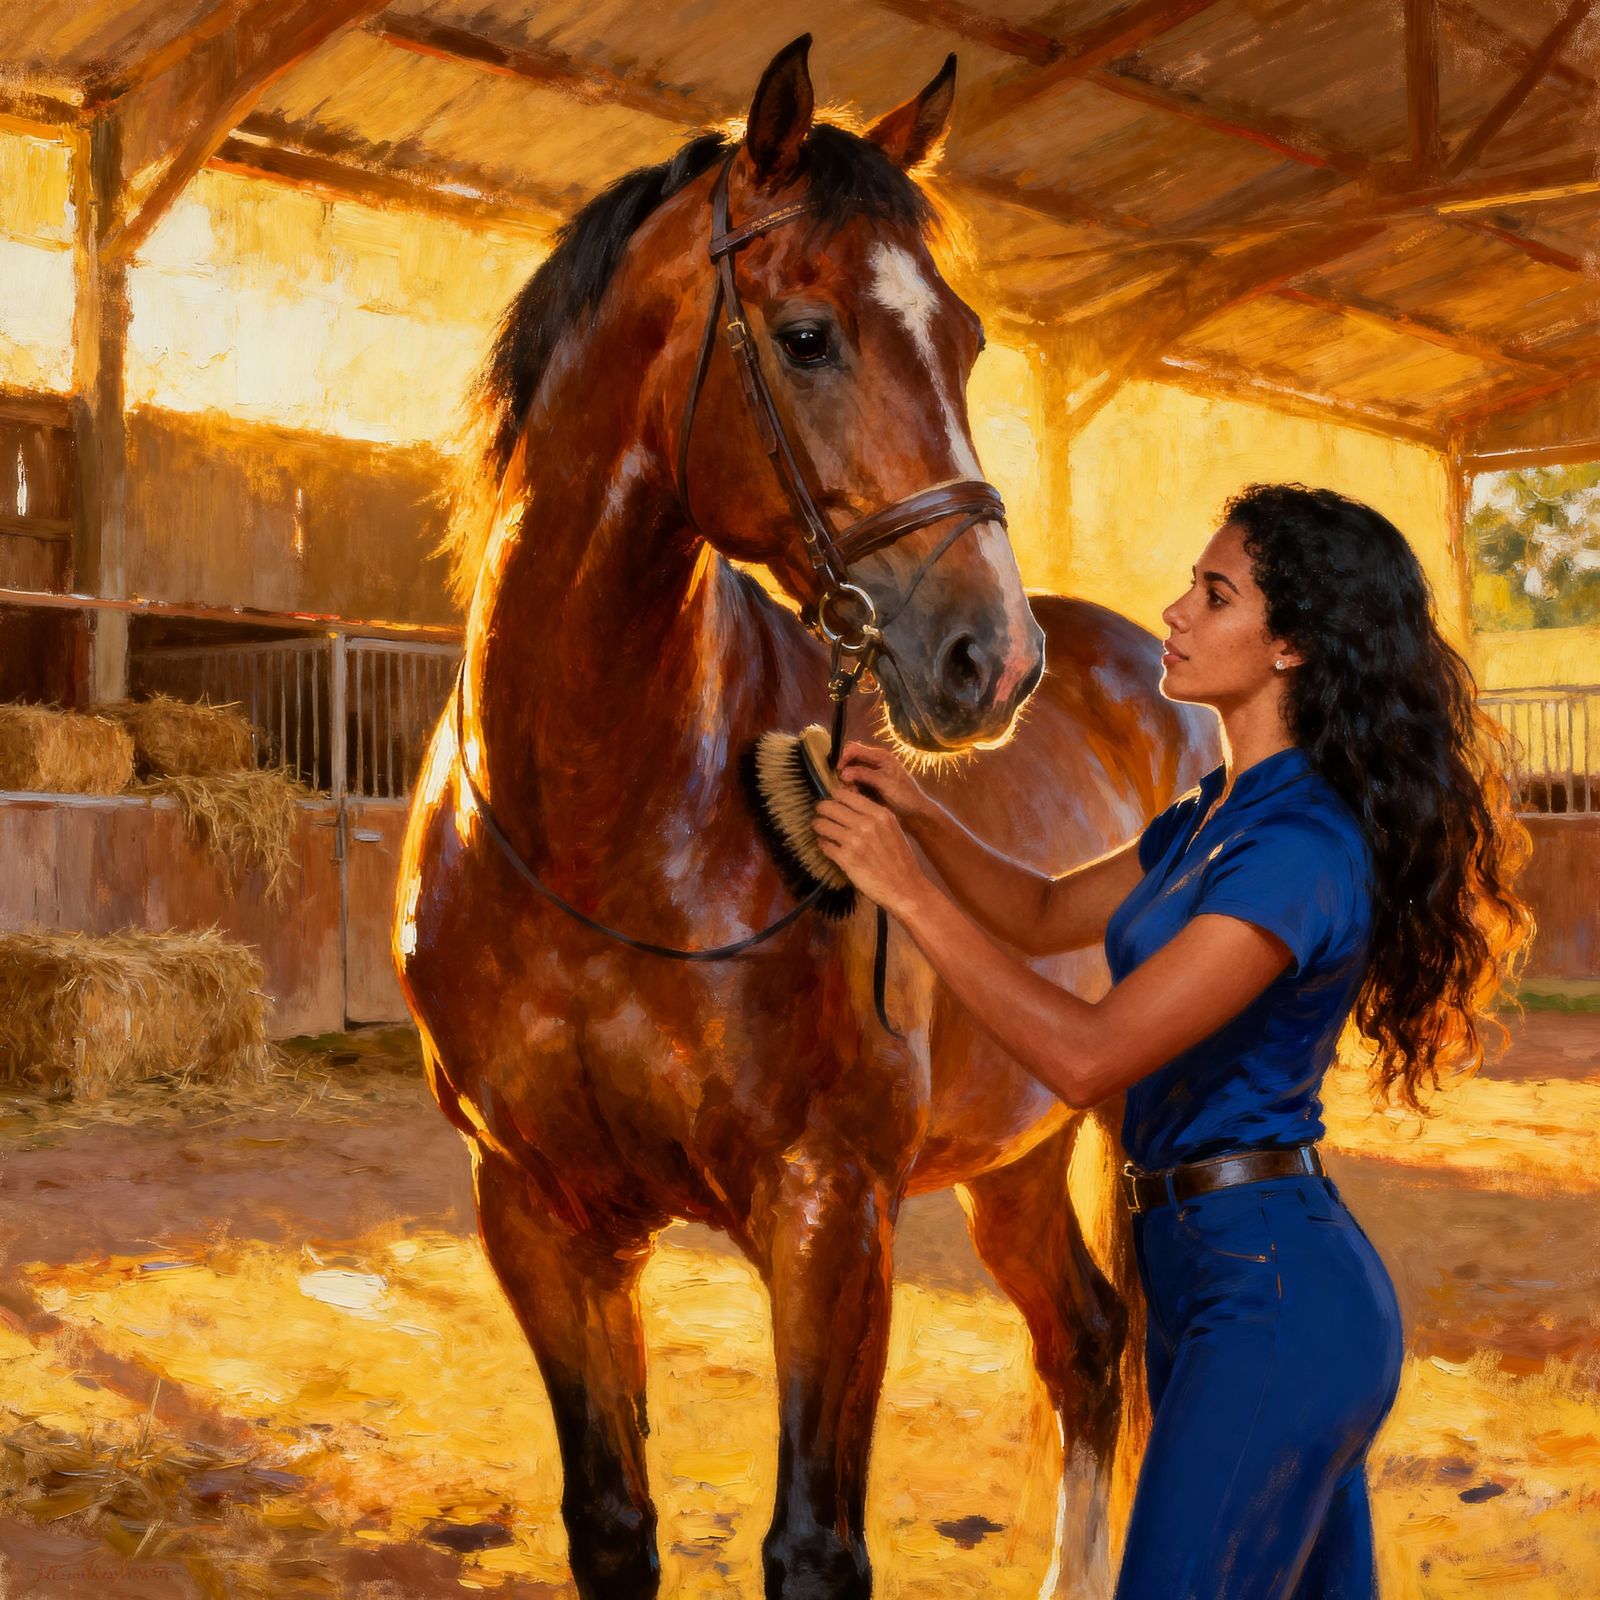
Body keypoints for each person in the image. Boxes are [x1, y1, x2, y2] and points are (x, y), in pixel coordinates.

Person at [813, 483, 1531, 1599]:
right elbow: (1044, 912)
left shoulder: (1300, 847)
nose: (1175, 611)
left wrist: (906, 893)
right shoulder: (1215, 812)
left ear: (1291, 645)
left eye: (1215, 594)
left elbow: (1089, 1058)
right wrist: (917, 812)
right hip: (1206, 1278)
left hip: (1273, 1298)